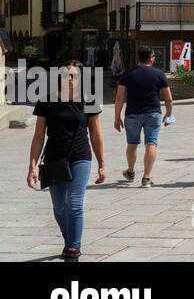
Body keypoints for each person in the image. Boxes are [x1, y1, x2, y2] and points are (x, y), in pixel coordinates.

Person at [27, 60, 106, 262]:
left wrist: (102, 164)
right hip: (54, 159)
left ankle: (73, 247)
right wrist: (32, 166)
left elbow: (96, 136)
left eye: (73, 76)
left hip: (80, 156)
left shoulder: (88, 101)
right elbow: (38, 137)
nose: (69, 79)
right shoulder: (46, 101)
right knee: (60, 206)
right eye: (65, 75)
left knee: (74, 203)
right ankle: (68, 234)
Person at [114, 47, 173, 187]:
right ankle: (146, 178)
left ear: (138, 58)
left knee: (132, 144)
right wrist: (168, 114)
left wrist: (117, 117)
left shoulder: (128, 74)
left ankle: (130, 171)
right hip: (153, 113)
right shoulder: (159, 74)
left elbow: (119, 98)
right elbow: (169, 98)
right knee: (151, 143)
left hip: (132, 114)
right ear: (151, 57)